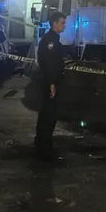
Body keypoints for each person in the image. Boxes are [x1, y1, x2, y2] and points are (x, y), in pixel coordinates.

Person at [35, 11, 67, 160]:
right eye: (62, 23)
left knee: (49, 114)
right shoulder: (50, 41)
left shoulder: (54, 39)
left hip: (52, 81)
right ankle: (44, 146)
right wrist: (52, 83)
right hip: (50, 82)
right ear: (54, 24)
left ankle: (44, 144)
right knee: (48, 115)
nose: (64, 25)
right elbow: (48, 64)